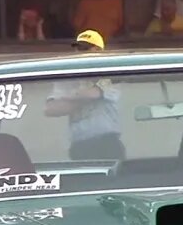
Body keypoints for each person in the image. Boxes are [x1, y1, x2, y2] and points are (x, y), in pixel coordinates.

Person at [44, 30, 124, 160]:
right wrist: (81, 97)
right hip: (79, 146)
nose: (78, 52)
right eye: (76, 48)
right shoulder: (67, 76)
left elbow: (93, 94)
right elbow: (50, 109)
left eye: (84, 48)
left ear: (98, 50)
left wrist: (69, 98)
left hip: (107, 144)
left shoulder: (112, 72)